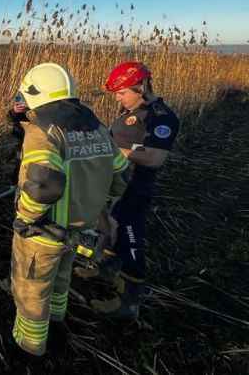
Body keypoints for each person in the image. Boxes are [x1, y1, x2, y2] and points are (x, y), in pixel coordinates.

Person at [9, 63, 129, 356]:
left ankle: (30, 346)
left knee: (31, 291)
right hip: (78, 229)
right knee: (61, 278)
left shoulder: (43, 132)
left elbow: (43, 185)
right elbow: (121, 177)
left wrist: (25, 217)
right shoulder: (97, 127)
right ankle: (58, 320)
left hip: (43, 231)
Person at [83, 62, 180, 319]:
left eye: (123, 92)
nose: (118, 98)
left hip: (134, 187)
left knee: (130, 237)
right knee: (107, 226)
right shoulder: (131, 109)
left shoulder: (161, 117)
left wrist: (112, 151)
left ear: (142, 87)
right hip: (114, 183)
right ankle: (105, 268)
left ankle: (129, 301)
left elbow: (156, 157)